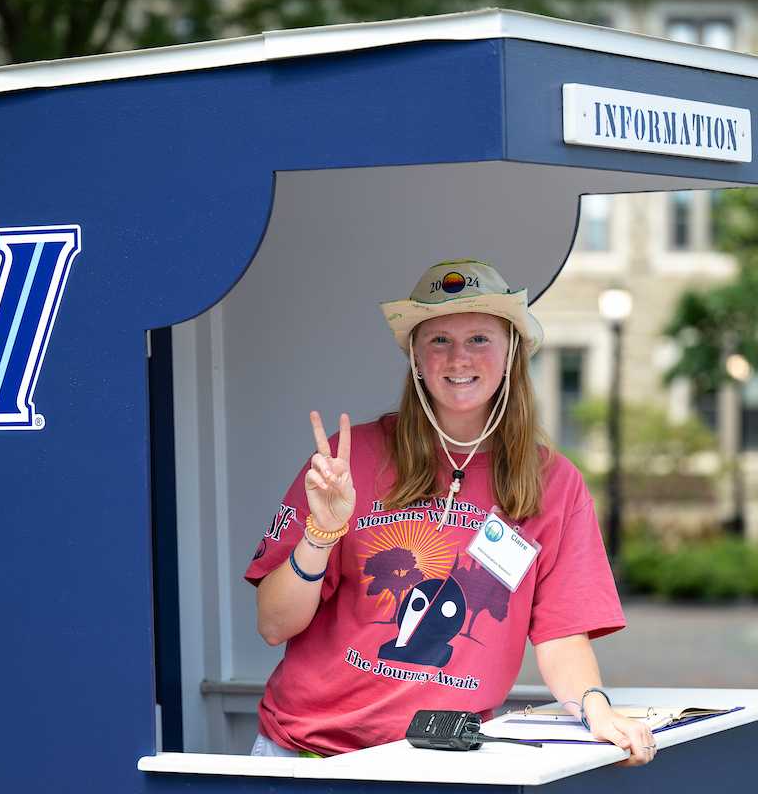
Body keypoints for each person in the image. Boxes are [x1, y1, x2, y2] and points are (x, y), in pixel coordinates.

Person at [245, 260, 655, 764]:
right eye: (438, 339)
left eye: (479, 338)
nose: (458, 358)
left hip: (442, 762)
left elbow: (560, 636)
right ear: (416, 357)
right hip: (308, 753)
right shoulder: (347, 460)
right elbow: (272, 625)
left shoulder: (555, 482)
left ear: (511, 354)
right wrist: (321, 533)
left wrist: (596, 707)